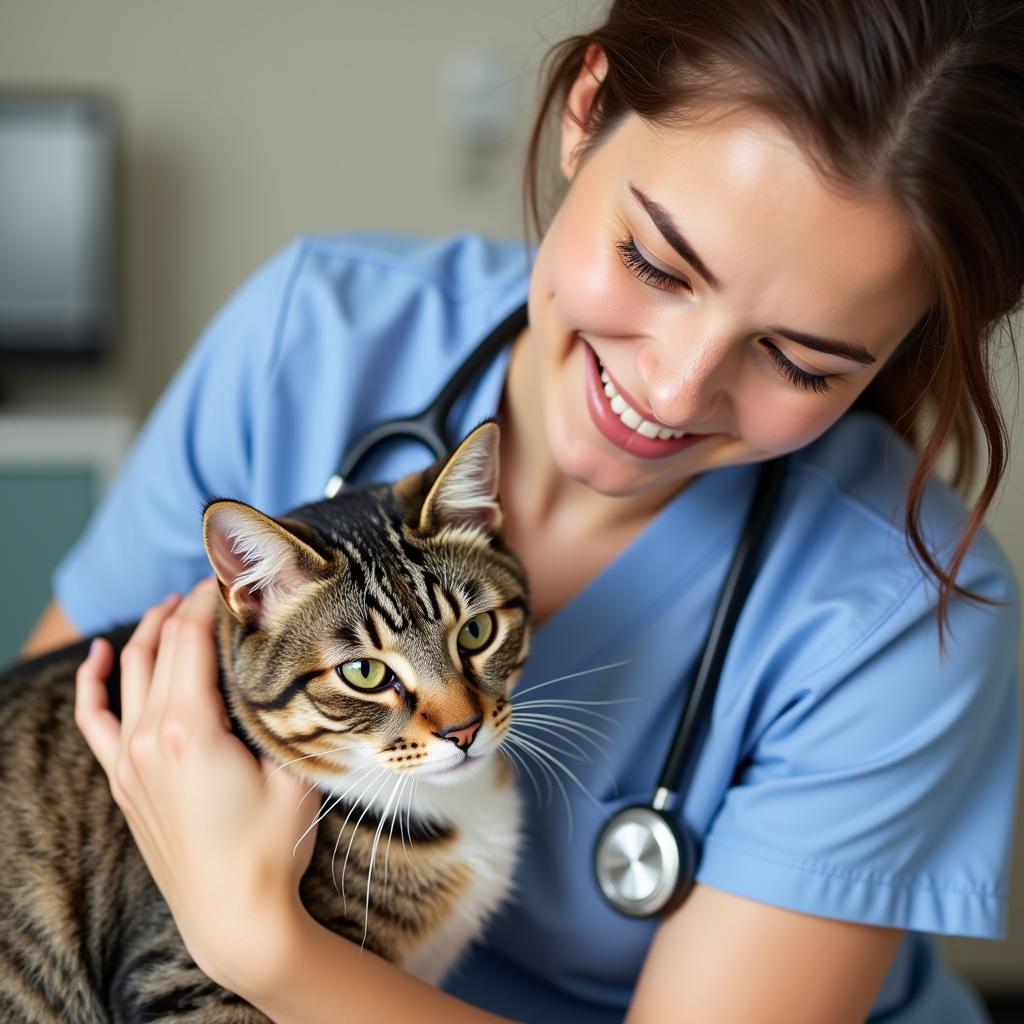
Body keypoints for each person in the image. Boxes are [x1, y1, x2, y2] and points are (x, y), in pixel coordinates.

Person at [24, 1, 1024, 1021]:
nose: (673, 392)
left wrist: (259, 943)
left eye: (798, 359)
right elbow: (54, 756)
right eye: (654, 263)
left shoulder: (905, 612)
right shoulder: (311, 338)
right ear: (584, 112)